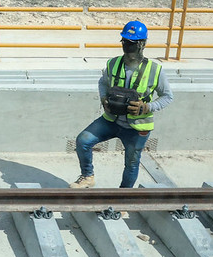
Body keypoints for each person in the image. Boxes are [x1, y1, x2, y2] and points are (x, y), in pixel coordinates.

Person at [71, 21, 173, 189]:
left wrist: (148, 107)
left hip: (137, 127)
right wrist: (104, 98)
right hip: (112, 120)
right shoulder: (113, 64)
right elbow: (103, 82)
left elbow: (167, 97)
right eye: (125, 43)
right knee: (83, 140)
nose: (128, 47)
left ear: (143, 44)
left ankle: (124, 197)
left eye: (133, 44)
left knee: (132, 163)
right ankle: (88, 176)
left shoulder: (155, 70)